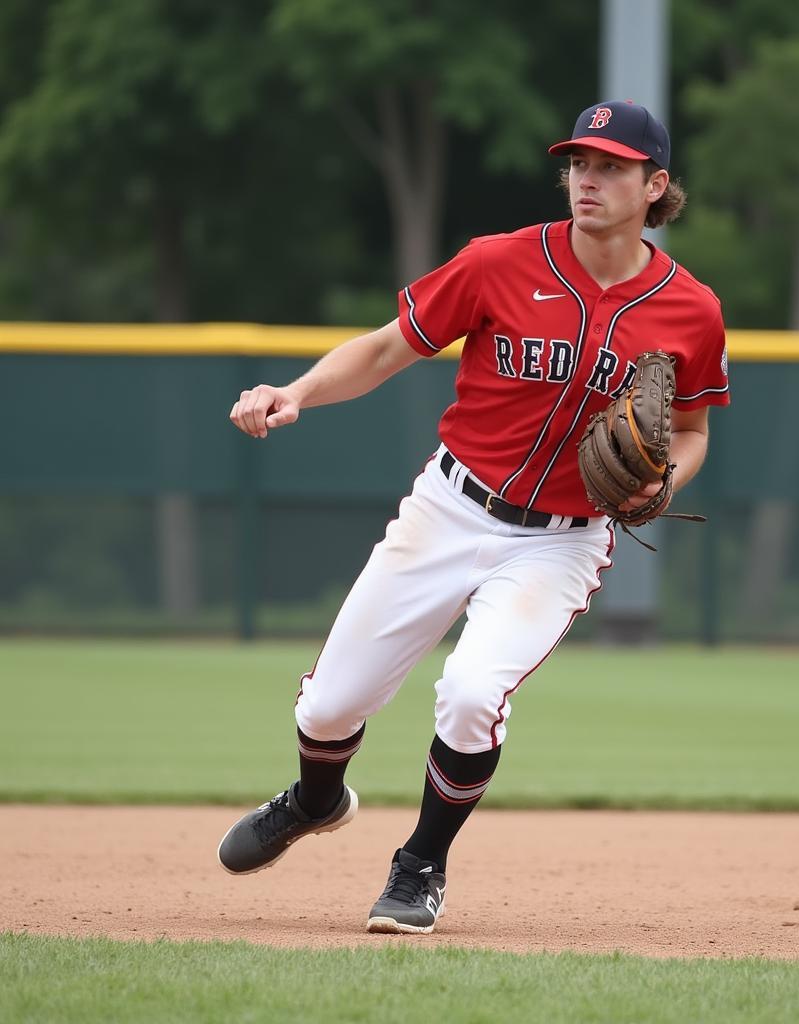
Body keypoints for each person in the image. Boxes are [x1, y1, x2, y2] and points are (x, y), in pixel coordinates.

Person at [219, 100, 730, 935]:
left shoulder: (690, 309)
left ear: (656, 184)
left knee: (469, 693)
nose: (587, 180)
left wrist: (663, 478)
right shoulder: (499, 262)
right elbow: (388, 347)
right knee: (326, 709)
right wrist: (297, 391)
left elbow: (691, 430)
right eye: (578, 163)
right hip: (450, 508)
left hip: (557, 543)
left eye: (610, 167)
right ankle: (315, 800)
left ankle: (420, 865)